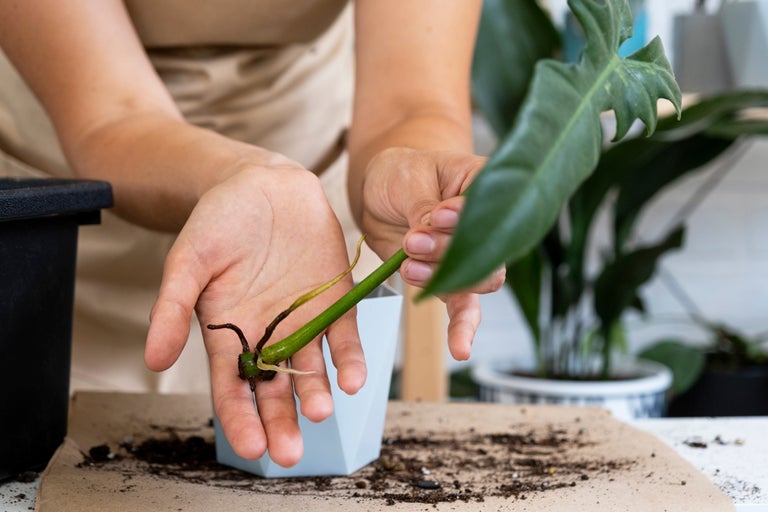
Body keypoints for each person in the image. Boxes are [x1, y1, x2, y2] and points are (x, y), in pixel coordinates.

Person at [0, 1, 504, 467]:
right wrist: (250, 176)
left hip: (303, 233)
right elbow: (112, 113)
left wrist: (411, 170)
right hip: (67, 222)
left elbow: (411, 102)